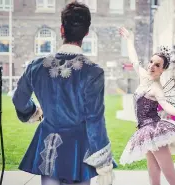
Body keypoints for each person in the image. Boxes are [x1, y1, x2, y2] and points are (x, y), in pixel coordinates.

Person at [12, 2, 116, 185]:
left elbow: (19, 99)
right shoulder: (93, 72)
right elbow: (95, 119)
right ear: (86, 32)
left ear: (61, 29)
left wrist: (33, 112)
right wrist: (103, 163)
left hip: (49, 144)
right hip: (80, 150)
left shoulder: (36, 67)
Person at [118, 27, 175, 185]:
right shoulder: (144, 77)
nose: (152, 66)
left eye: (157, 65)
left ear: (163, 70)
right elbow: (134, 59)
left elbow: (165, 105)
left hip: (154, 131)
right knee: (153, 176)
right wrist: (129, 40)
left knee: (171, 176)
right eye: (151, 62)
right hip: (144, 131)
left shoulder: (156, 87)